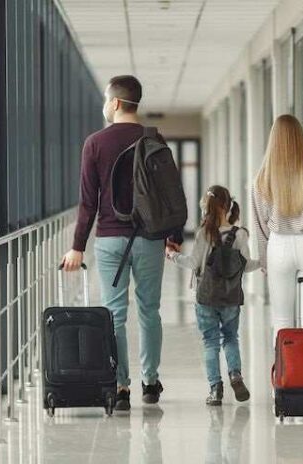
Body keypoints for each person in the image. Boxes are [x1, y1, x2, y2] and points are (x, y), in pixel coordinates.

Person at [62, 75, 182, 412]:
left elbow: (88, 202)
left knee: (114, 315)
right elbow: (170, 193)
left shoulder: (95, 143)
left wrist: (77, 246)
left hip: (110, 240)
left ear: (114, 103)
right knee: (149, 312)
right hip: (149, 239)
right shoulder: (154, 139)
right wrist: (173, 235)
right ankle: (150, 381)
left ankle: (120, 385)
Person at [166, 186, 260, 405]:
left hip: (206, 297)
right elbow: (245, 266)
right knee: (230, 337)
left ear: (206, 208)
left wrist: (172, 255)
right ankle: (235, 374)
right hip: (231, 298)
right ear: (227, 207)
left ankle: (215, 389)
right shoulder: (240, 234)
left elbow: (192, 263)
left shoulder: (203, 234)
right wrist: (264, 263)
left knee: (210, 342)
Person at [252, 114, 303, 338]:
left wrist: (266, 263)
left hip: (277, 247)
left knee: (282, 320)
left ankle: (284, 371)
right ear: (300, 138)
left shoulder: (261, 179)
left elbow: (260, 226)